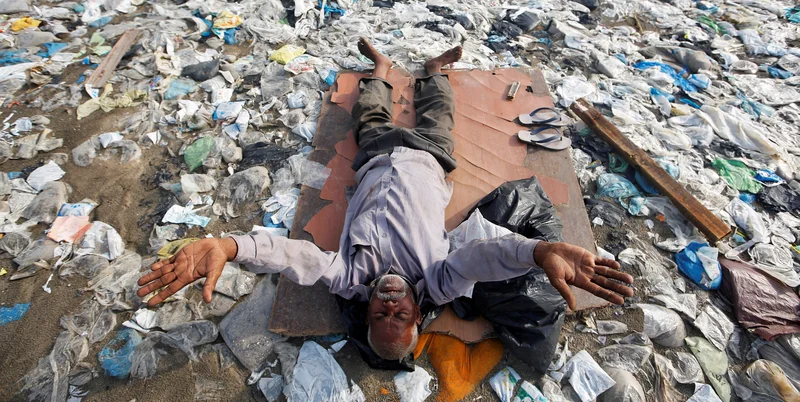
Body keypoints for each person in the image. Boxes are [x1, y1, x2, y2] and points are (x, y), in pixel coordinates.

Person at [137, 38, 634, 362]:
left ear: (367, 309)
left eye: (380, 316)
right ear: (420, 313)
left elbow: (297, 258)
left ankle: (380, 70)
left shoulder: (351, 277)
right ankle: (434, 71)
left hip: (374, 160)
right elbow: (482, 257)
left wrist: (230, 246)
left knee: (369, 112)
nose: (391, 305)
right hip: (430, 162)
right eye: (401, 316)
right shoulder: (438, 279)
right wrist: (538, 251)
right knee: (439, 113)